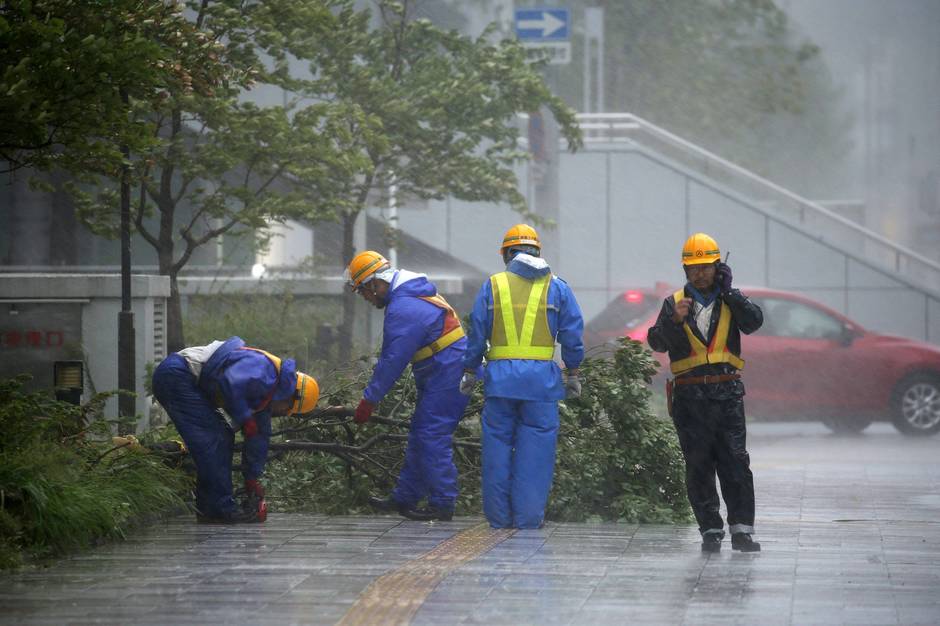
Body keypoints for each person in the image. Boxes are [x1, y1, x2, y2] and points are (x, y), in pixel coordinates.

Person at [461, 224, 584, 529]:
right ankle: (528, 520)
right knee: (536, 455)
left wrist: (469, 369)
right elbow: (572, 335)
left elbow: (477, 332)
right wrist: (573, 372)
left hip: (500, 383)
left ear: (506, 254)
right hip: (541, 386)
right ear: (537, 252)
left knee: (496, 452)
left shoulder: (494, 285)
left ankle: (499, 520)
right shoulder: (557, 288)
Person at [647, 233, 763, 552]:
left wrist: (732, 294)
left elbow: (754, 322)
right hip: (690, 398)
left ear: (717, 266)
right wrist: (674, 320)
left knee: (735, 461)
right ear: (685, 269)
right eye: (694, 267)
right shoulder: (674, 302)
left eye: (706, 267)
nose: (700, 273)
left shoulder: (730, 299)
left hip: (727, 394)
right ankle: (710, 528)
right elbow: (656, 342)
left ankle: (742, 529)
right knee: (698, 464)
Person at [345, 250, 477, 521]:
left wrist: (369, 400)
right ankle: (405, 496)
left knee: (431, 433)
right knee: (421, 432)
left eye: (364, 292)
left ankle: (443, 502)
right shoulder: (410, 296)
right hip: (445, 370)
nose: (366, 299)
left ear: (374, 283)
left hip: (448, 372)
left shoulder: (404, 307)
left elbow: (392, 360)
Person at [152, 336, 319, 523]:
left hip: (187, 380)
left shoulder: (267, 396)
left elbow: (258, 440)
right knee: (213, 439)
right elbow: (230, 382)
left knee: (223, 436)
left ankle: (212, 509)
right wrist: (245, 417)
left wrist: (252, 478)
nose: (282, 412)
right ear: (291, 396)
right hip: (177, 376)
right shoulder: (263, 369)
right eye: (287, 409)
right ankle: (218, 509)